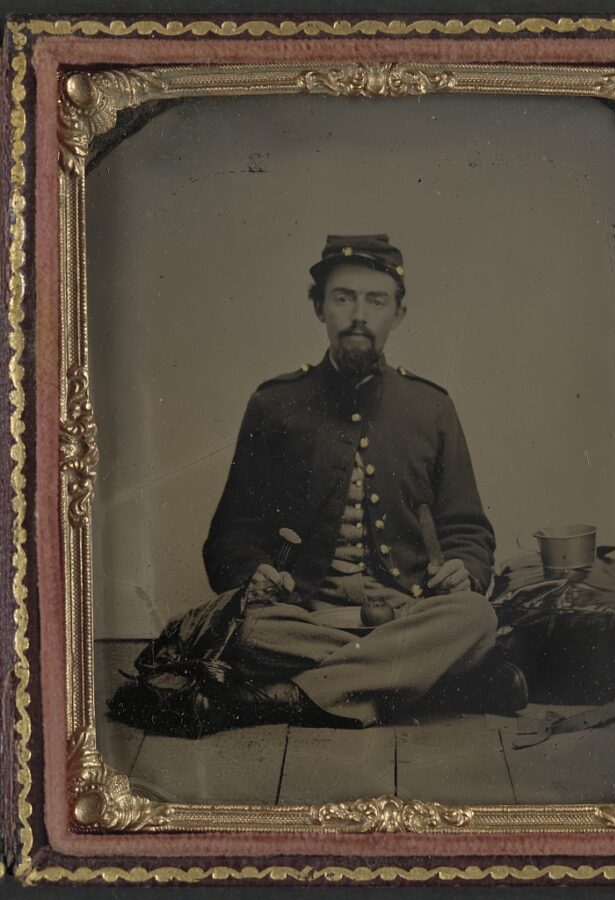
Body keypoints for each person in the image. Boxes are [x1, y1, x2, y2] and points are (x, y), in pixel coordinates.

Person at [109, 235, 527, 736]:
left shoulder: (431, 407)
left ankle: (273, 700)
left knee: (473, 616)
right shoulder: (274, 405)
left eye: (376, 301)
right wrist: (252, 573)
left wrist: (466, 568)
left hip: (404, 615)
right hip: (305, 621)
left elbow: (468, 529)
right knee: (243, 630)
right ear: (319, 307)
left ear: (399, 314)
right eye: (344, 297)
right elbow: (229, 536)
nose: (359, 314)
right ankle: (436, 680)